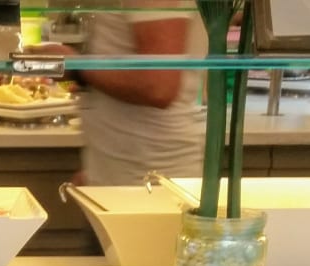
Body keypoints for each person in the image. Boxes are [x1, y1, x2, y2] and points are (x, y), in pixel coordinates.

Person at [64, 11, 207, 186]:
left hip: (150, 178)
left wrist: (74, 65)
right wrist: (99, 168)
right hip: (130, 174)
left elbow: (158, 86)